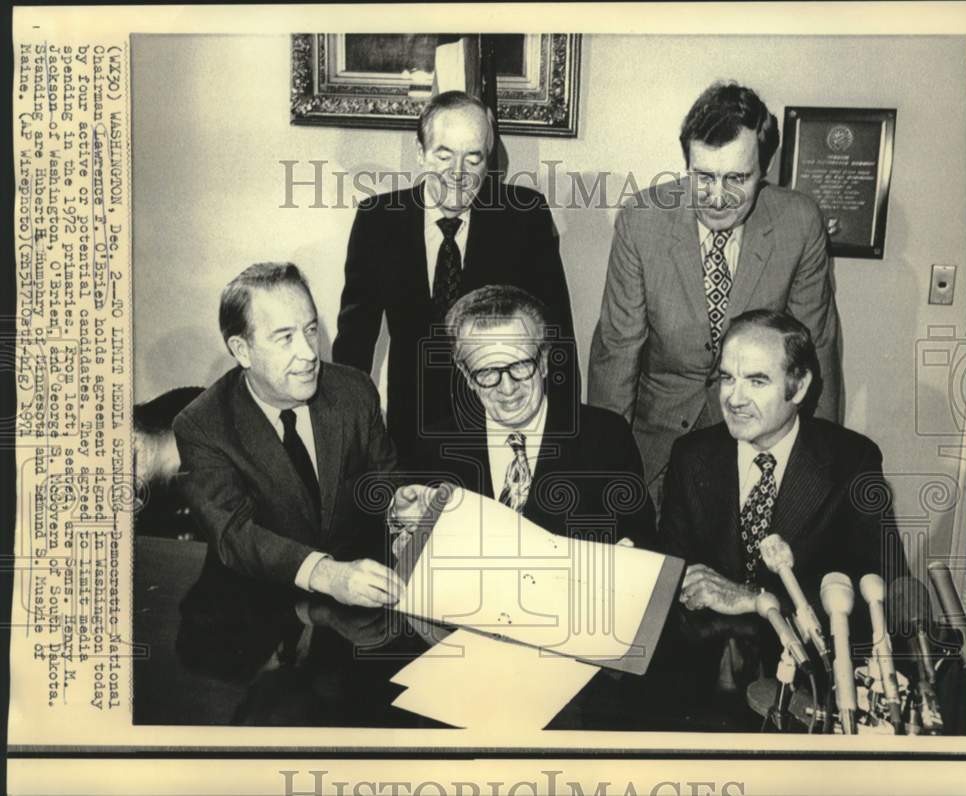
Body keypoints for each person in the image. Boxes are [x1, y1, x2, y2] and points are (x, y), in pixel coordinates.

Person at [589, 81, 843, 512]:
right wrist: (602, 469)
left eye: (737, 178)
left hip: (757, 440)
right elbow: (616, 353)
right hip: (657, 443)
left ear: (764, 169)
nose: (718, 196)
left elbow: (815, 351)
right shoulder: (641, 221)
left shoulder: (799, 224)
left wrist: (817, 472)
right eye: (703, 176)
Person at [331, 90, 577, 460]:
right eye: (444, 155)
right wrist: (341, 434)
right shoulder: (379, 220)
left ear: (489, 159)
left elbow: (556, 334)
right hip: (410, 432)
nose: (458, 174)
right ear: (420, 153)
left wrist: (560, 436)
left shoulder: (525, 217)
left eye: (473, 158)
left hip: (499, 426)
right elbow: (354, 342)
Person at [173, 263, 404, 607]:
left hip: (362, 604)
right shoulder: (203, 426)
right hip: (263, 612)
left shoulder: (354, 391)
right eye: (285, 338)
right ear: (242, 350)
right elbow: (233, 534)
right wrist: (326, 573)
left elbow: (385, 483)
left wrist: (404, 509)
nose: (310, 354)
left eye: (310, 330)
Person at [659, 309, 906, 616]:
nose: (734, 399)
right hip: (707, 651)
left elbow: (885, 590)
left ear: (799, 386)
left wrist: (756, 600)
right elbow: (671, 577)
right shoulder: (690, 455)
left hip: (808, 652)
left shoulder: (852, 461)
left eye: (757, 381)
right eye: (727, 378)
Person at [393, 285, 656, 552]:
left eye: (520, 366)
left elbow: (642, 537)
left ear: (543, 361)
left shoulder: (605, 437)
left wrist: (628, 553)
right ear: (465, 373)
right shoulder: (435, 448)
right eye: (486, 372)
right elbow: (411, 547)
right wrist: (405, 535)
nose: (507, 388)